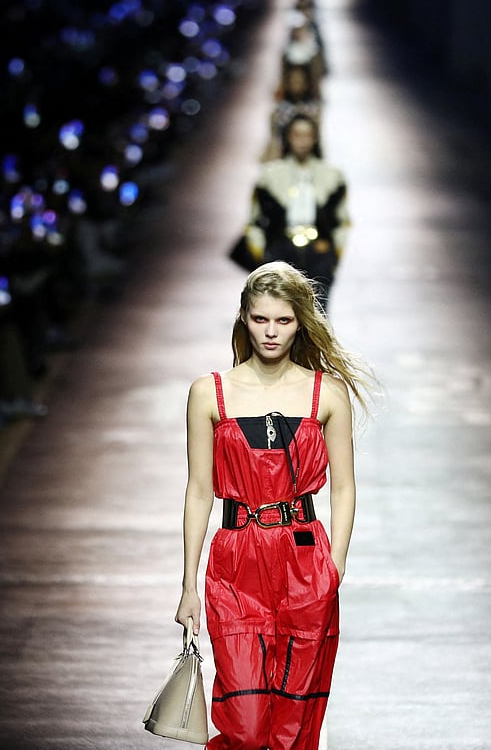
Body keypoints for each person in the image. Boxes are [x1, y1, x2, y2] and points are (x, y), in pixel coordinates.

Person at [173, 261, 377, 749]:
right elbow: (199, 490)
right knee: (242, 721)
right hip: (235, 560)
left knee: (293, 722)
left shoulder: (326, 392)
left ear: (300, 322)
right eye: (261, 319)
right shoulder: (209, 393)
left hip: (304, 560)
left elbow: (344, 486)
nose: (271, 332)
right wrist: (187, 585)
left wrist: (336, 565)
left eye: (283, 321)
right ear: (244, 318)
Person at [244, 114, 349, 311]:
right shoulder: (269, 176)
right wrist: (262, 256)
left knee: (318, 316)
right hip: (280, 250)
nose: (302, 141)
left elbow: (342, 221)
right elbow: (255, 220)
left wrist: (333, 254)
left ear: (315, 138)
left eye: (307, 135)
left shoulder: (333, 177)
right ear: (288, 137)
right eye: (297, 135)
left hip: (319, 250)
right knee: (278, 315)